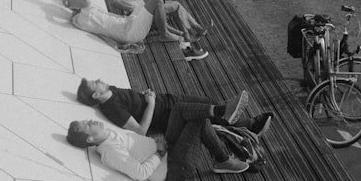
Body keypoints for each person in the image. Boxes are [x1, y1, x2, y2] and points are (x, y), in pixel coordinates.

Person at [66, 101, 251, 181]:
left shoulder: (109, 136)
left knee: (179, 109)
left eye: (86, 120)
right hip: (173, 168)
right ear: (90, 139)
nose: (91, 121)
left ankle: (222, 110)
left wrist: (152, 142)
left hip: (165, 149)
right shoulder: (110, 152)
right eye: (87, 125)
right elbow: (139, 173)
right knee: (198, 121)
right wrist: (159, 153)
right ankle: (224, 158)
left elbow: (136, 142)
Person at [76, 78, 273, 138]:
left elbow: (134, 101)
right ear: (95, 95)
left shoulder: (111, 90)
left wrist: (146, 97)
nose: (98, 80)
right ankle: (251, 125)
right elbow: (141, 130)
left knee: (208, 103)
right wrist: (151, 103)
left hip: (167, 100)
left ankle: (246, 125)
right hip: (167, 113)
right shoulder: (112, 108)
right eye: (95, 84)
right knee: (209, 112)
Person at [61, 0, 204, 60]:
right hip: (130, 33)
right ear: (75, 5)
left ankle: (173, 28)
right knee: (156, 0)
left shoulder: (86, 9)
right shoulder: (81, 18)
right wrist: (68, 0)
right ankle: (164, 32)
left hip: (129, 21)